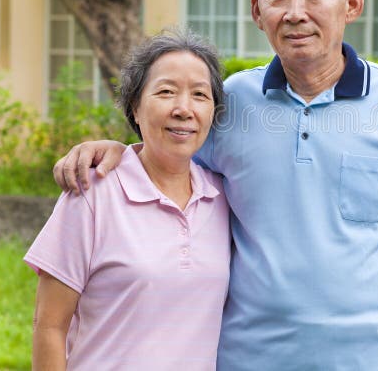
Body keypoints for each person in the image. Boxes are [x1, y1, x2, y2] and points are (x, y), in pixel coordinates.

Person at [55, 0, 378, 370]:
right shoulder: (229, 103)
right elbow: (169, 171)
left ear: (351, 4)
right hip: (246, 358)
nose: (296, 13)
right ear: (258, 12)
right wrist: (118, 150)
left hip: (371, 357)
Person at [27, 30, 231, 368]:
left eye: (200, 95)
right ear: (135, 106)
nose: (184, 109)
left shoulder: (223, 198)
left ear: (213, 111)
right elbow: (49, 325)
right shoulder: (92, 193)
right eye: (166, 92)